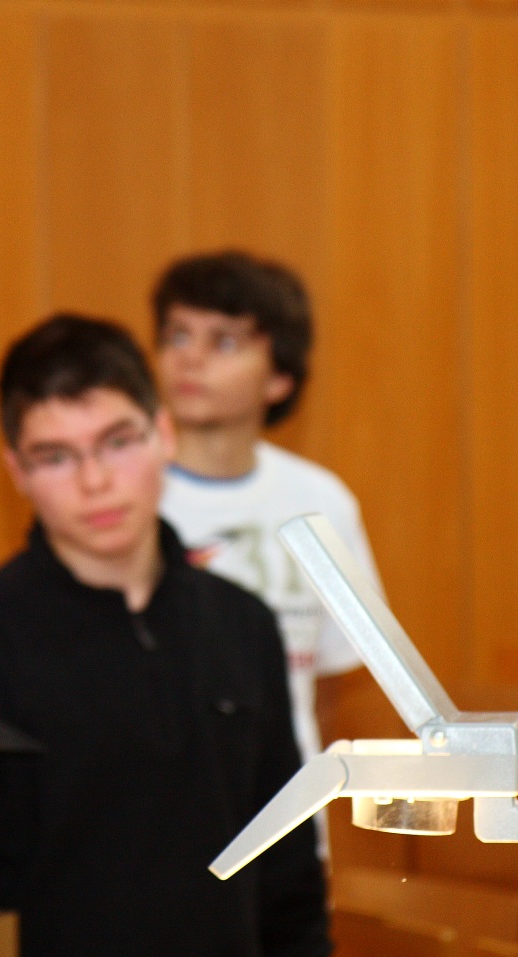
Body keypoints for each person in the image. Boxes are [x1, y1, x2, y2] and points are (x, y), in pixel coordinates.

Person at [0, 315, 331, 957]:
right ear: (16, 471)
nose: (95, 481)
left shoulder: (244, 624)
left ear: (164, 435)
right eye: (56, 456)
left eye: (118, 441)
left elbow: (288, 869)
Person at [154, 250, 384, 764]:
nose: (191, 359)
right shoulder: (122, 498)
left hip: (287, 797)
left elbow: (328, 686)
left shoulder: (322, 501)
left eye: (224, 342)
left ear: (280, 376)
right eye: (178, 336)